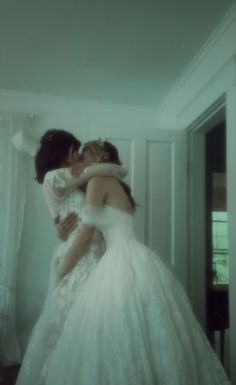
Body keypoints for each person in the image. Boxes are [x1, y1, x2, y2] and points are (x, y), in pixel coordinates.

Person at [44, 139, 230, 385]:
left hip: (119, 258)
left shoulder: (98, 181)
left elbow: (86, 234)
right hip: (133, 255)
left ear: (98, 158)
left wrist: (61, 270)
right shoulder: (118, 184)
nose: (80, 164)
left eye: (85, 157)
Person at [15, 130, 127, 385]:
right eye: (76, 152)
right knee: (74, 322)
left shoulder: (69, 181)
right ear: (67, 153)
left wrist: (59, 229)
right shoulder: (55, 176)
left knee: (94, 322)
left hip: (92, 252)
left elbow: (60, 223)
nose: (78, 157)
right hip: (80, 256)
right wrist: (91, 165)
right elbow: (118, 171)